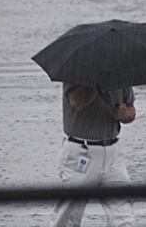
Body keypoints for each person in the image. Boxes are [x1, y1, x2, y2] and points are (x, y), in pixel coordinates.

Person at [51, 84, 136, 227]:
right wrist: (96, 82)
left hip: (113, 153)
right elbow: (76, 102)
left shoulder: (119, 75)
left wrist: (124, 114)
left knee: (123, 216)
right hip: (81, 152)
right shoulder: (77, 73)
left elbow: (131, 109)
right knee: (68, 216)